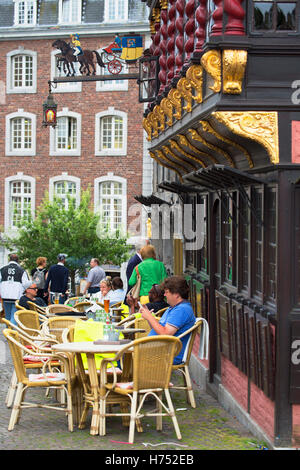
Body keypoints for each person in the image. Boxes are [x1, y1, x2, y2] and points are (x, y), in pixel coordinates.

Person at [139, 276, 196, 365]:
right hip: (159, 351)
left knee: (125, 355)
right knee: (126, 353)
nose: (164, 295)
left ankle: (126, 378)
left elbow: (166, 334)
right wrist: (149, 317)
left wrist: (149, 317)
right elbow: (159, 330)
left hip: (166, 354)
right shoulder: (173, 308)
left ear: (177, 294)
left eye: (167, 292)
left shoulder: (181, 310)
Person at [0, 254, 29, 325]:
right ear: (18, 261)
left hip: (5, 295)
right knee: (14, 316)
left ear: (9, 260)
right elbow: (26, 284)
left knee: (7, 316)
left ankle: (8, 333)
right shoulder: (21, 271)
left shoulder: (2, 269)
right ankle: (12, 332)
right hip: (16, 296)